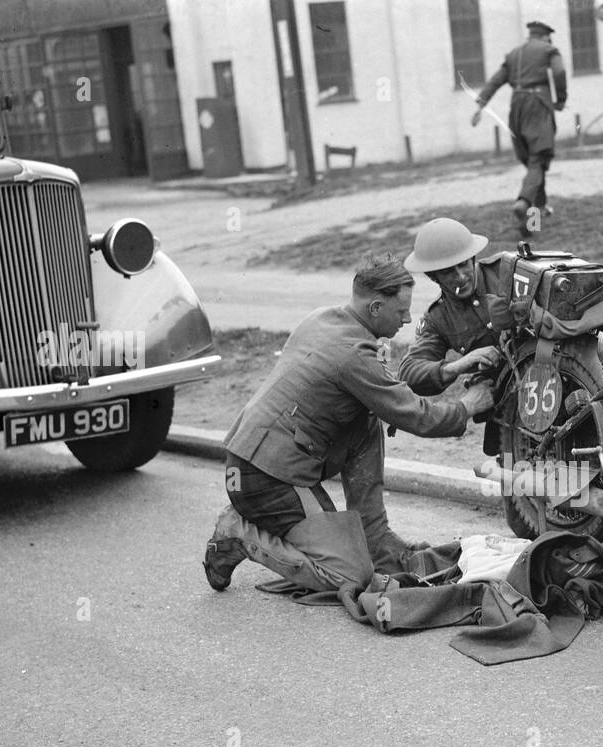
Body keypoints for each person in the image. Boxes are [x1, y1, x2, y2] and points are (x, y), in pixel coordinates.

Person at [202, 253, 495, 593]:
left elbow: (385, 389)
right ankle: (237, 532)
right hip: (267, 477)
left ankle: (375, 538)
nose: (407, 318)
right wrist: (467, 406)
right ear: (374, 308)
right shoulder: (354, 354)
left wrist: (451, 368)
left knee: (366, 416)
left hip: (258, 455)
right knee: (350, 576)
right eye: (401, 311)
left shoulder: (324, 318)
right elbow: (415, 415)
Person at [471, 19, 567, 236]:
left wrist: (480, 104)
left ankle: (534, 220)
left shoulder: (513, 54)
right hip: (539, 107)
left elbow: (496, 80)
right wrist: (560, 99)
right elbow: (559, 73)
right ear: (545, 36)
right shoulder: (549, 50)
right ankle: (523, 202)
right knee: (538, 161)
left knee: (535, 165)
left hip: (516, 109)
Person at [397, 217, 505, 396]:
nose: (461, 277)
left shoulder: (506, 271)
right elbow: (409, 373)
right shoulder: (438, 318)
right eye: (448, 271)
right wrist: (458, 366)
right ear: (433, 277)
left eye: (463, 264)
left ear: (472, 259)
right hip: (506, 397)